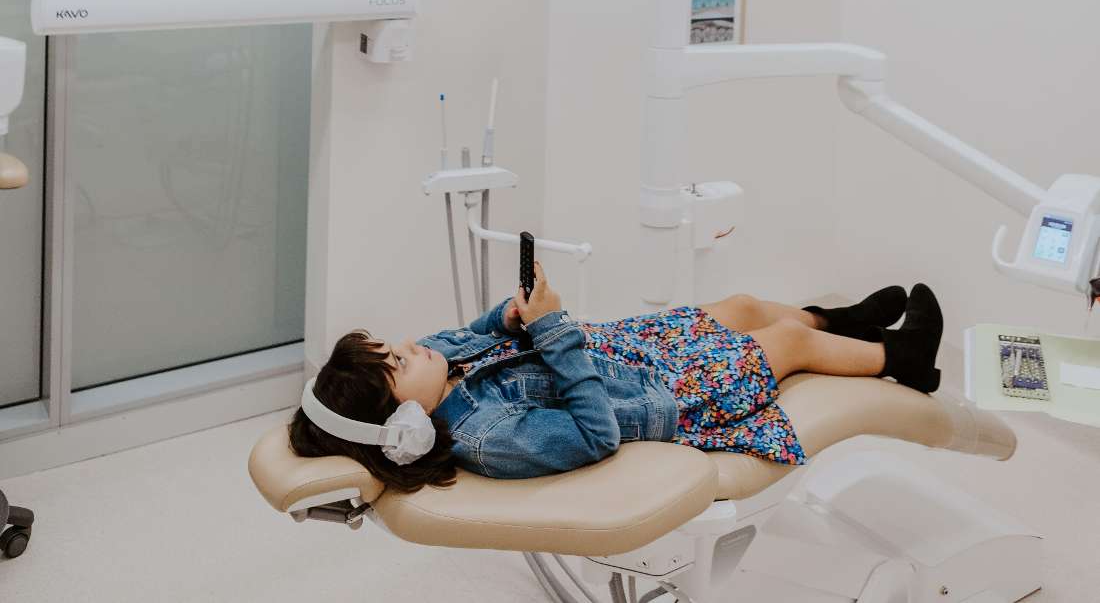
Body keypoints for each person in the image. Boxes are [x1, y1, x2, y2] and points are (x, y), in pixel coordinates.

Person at [288, 265, 943, 493]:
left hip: (618, 351)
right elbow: (595, 433)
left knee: (740, 306)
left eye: (392, 346)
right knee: (786, 344)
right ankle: (902, 361)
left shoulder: (436, 363)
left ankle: (848, 323)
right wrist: (548, 331)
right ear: (403, 423)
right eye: (396, 362)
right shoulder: (488, 437)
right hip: (664, 397)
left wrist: (512, 316)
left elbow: (481, 332)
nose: (409, 346)